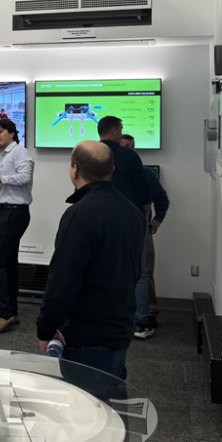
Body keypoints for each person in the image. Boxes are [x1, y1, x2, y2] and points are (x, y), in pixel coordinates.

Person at [36, 141, 145, 442]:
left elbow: (62, 280)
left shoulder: (80, 214)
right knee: (114, 417)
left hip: (86, 338)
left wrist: (46, 328)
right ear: (112, 170)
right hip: (118, 332)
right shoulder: (132, 211)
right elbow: (134, 273)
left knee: (91, 431)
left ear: (74, 170)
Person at [97, 116, 154, 339]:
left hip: (99, 216)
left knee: (102, 267)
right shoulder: (129, 155)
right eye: (120, 129)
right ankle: (140, 323)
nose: (121, 132)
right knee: (138, 272)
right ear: (114, 130)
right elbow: (144, 188)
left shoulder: (89, 152)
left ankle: (105, 318)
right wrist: (144, 214)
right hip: (131, 219)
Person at [0, 118, 35, 333]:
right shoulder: (9, 155)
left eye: (0, 131)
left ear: (12, 133)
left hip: (15, 214)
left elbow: (25, 177)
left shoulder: (20, 152)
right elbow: (5, 191)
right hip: (7, 212)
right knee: (8, 263)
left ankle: (5, 314)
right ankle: (11, 311)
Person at [120, 134, 170, 332]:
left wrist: (157, 220)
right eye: (125, 146)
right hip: (119, 229)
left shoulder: (145, 174)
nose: (129, 150)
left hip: (142, 230)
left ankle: (148, 313)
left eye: (132, 146)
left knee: (144, 272)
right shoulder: (112, 173)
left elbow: (161, 198)